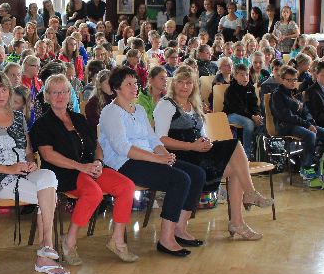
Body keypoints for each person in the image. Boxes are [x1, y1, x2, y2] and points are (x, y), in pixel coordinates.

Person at [99, 66, 206, 257]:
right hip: (124, 164)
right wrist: (157, 158)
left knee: (197, 174)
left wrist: (166, 156)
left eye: (135, 83)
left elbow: (153, 139)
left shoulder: (139, 109)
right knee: (180, 180)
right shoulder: (111, 112)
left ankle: (180, 228)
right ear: (116, 88)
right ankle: (166, 239)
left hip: (147, 157)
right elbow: (123, 148)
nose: (135, 87)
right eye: (129, 84)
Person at [0, 72, 69, 274]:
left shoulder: (18, 118)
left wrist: (31, 162)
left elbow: (28, 150)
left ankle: (46, 247)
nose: (1, 94)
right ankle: (45, 253)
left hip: (21, 173)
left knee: (48, 177)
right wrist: (9, 169)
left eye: (4, 89)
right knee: (47, 196)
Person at [154, 67, 272, 240]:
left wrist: (206, 141)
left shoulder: (194, 104)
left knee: (237, 168)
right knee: (234, 145)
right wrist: (192, 146)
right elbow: (160, 140)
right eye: (180, 82)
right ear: (173, 84)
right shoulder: (166, 104)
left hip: (198, 153)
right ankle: (250, 194)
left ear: (194, 85)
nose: (184, 86)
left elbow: (202, 134)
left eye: (189, 83)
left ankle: (237, 221)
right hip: (179, 156)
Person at [32, 74, 138, 264]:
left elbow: (96, 145)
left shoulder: (78, 118)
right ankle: (69, 241)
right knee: (94, 193)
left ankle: (117, 240)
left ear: (70, 94)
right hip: (63, 172)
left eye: (64, 91)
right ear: (47, 96)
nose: (60, 96)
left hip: (89, 167)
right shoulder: (42, 124)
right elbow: (48, 155)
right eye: (55, 92)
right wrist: (82, 167)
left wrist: (98, 162)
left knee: (127, 186)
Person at [270, 67, 324, 179]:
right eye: (289, 80)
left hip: (301, 124)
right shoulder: (277, 95)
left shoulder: (297, 93)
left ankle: (320, 166)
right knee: (310, 135)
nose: (293, 82)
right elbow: (287, 116)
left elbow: (306, 112)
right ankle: (305, 168)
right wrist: (307, 125)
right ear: (282, 80)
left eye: (294, 79)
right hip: (285, 125)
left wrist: (311, 123)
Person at [222, 64, 263, 159]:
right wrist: (252, 117)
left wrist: (257, 115)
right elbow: (237, 109)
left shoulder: (250, 88)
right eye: (242, 75)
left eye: (247, 74)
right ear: (235, 76)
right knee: (249, 123)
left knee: (262, 121)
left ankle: (257, 152)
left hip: (247, 115)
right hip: (231, 115)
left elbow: (254, 105)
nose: (245, 77)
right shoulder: (231, 90)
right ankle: (246, 154)